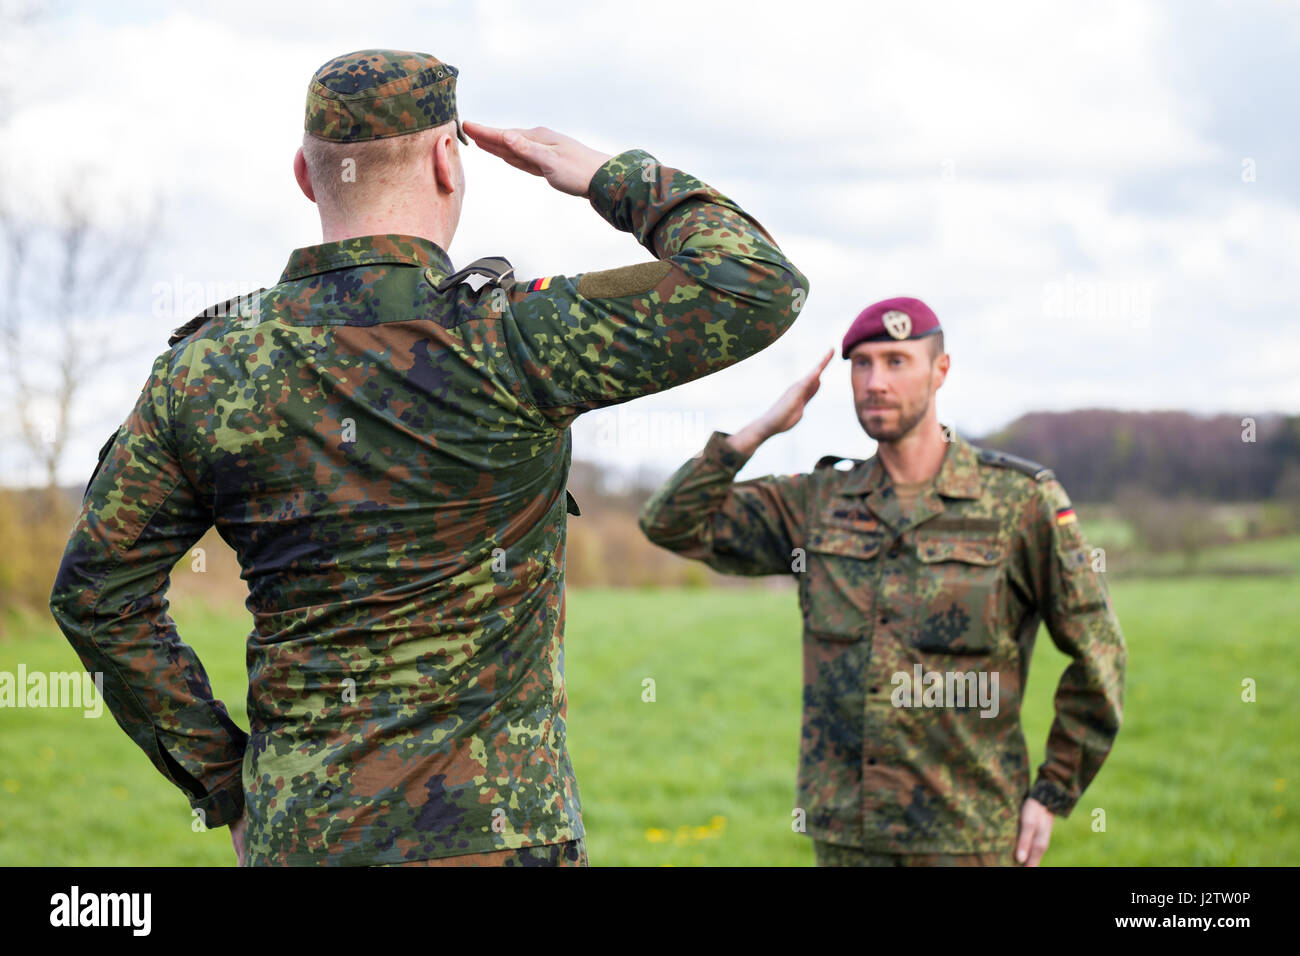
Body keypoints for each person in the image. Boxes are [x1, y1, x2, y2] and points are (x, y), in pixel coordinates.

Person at [48, 48, 808, 867]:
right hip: (499, 836)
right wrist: (604, 174)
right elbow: (756, 284)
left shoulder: (206, 369)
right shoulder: (519, 339)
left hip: (303, 838)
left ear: (306, 176)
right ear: (449, 160)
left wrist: (223, 782)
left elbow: (97, 596)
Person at [638, 296, 1125, 866]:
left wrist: (1053, 793)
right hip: (850, 836)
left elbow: (1099, 654)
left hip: (968, 835)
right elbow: (670, 522)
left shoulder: (1020, 503)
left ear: (940, 370)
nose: (875, 381)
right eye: (862, 364)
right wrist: (760, 431)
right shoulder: (817, 502)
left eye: (897, 361)